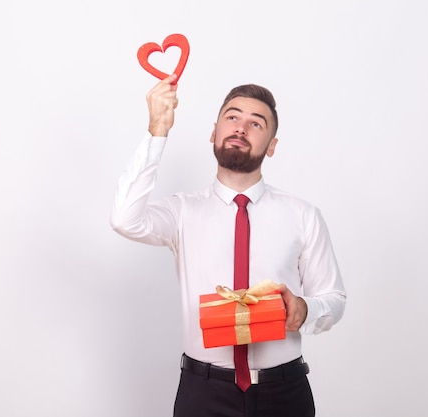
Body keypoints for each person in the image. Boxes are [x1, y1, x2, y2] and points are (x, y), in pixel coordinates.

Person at [110, 73, 346, 417]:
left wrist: (306, 308)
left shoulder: (303, 215)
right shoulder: (181, 211)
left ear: (272, 146)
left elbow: (335, 298)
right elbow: (124, 220)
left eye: (256, 123)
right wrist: (157, 130)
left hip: (284, 392)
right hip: (204, 393)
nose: (240, 128)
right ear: (214, 133)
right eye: (232, 117)